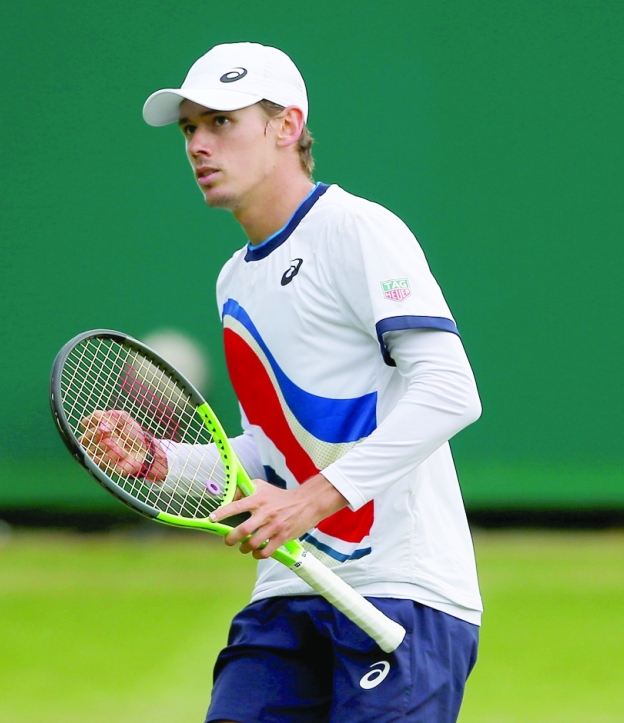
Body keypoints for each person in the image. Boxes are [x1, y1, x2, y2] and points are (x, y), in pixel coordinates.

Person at [139, 42, 484, 723]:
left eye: (221, 123)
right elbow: (270, 457)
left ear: (287, 125)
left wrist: (311, 502)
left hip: (401, 593)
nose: (199, 145)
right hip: (289, 594)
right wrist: (159, 460)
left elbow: (451, 391)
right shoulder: (235, 279)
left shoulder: (357, 230)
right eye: (189, 128)